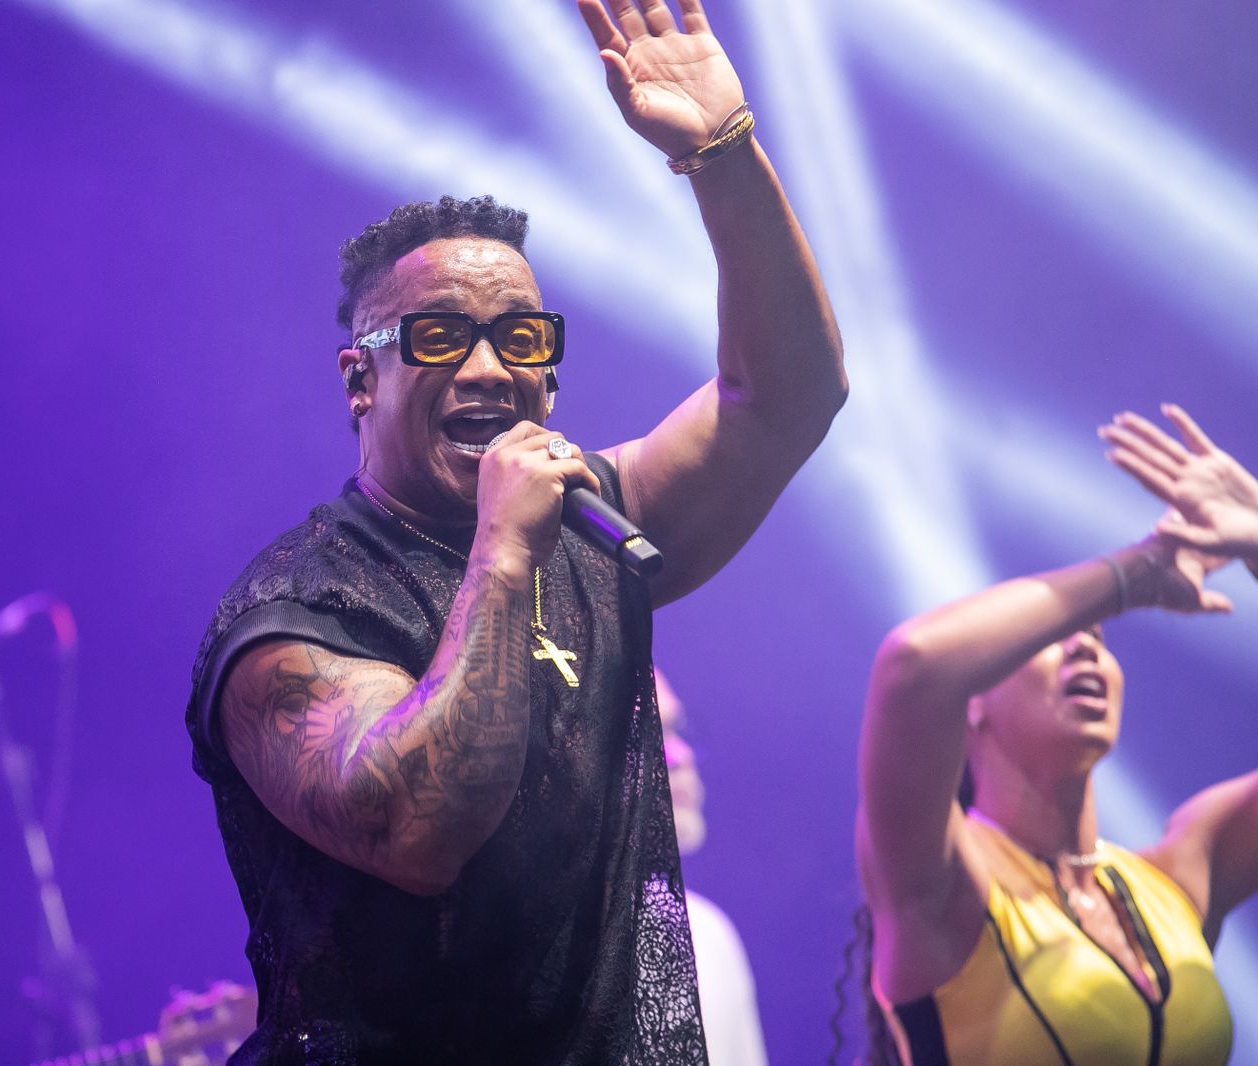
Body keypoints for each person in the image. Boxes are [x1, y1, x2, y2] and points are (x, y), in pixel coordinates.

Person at [185, 1, 846, 1060]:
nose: (489, 369)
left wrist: (723, 154)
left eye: (520, 337)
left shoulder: (588, 522)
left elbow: (787, 395)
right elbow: (416, 831)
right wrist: (501, 554)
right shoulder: (291, 617)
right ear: (360, 381)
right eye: (441, 337)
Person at [856, 404, 1258, 1064]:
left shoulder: (1180, 877)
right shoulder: (942, 884)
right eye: (1053, 637)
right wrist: (1135, 573)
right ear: (971, 702)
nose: (1083, 647)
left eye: (1098, 636)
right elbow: (915, 665)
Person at [655, 668, 768, 1066]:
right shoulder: (535, 938)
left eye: (677, 730)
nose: (680, 756)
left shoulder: (710, 935)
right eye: (648, 732)